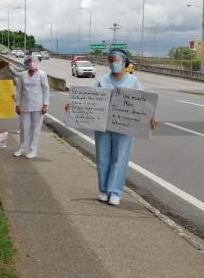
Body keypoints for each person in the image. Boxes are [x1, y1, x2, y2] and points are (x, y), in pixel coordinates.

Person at [66, 49, 157, 206]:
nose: (113, 63)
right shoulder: (102, 80)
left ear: (124, 61)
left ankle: (115, 191)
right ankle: (103, 190)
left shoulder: (133, 82)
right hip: (103, 126)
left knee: (119, 158)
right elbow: (90, 99)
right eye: (110, 60)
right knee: (102, 158)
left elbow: (143, 105)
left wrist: (151, 118)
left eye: (116, 60)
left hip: (124, 126)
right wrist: (74, 106)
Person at [14, 55, 49, 159]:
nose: (31, 63)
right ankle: (21, 148)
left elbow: (46, 90)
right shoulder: (23, 75)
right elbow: (19, 91)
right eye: (29, 61)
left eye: (33, 61)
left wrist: (45, 105)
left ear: (37, 62)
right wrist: (17, 105)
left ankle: (33, 150)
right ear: (27, 63)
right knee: (24, 127)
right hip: (24, 104)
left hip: (38, 105)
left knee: (35, 128)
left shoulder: (42, 74)